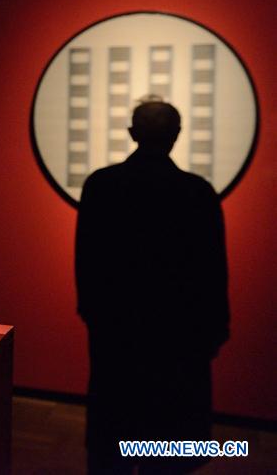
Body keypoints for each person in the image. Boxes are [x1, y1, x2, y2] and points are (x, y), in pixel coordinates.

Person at [75, 96, 229, 474]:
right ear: (177, 135)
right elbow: (213, 271)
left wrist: (96, 317)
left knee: (112, 441)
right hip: (180, 340)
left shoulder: (102, 185)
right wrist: (214, 331)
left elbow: (87, 264)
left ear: (131, 133)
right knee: (170, 448)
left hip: (117, 335)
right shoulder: (198, 192)